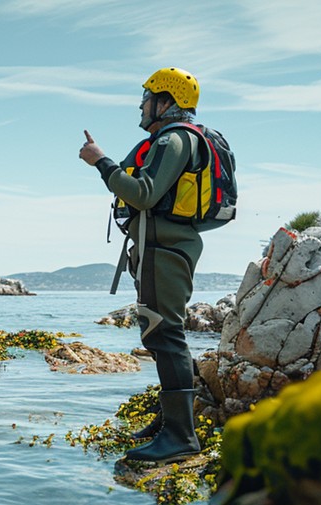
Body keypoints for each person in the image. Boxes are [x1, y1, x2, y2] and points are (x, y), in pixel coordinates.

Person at [78, 67, 205, 463]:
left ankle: (181, 437)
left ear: (166, 102)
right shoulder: (171, 139)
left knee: (166, 335)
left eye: (147, 97)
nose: (141, 103)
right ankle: (170, 423)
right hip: (159, 246)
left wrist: (102, 163)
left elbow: (144, 193)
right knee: (159, 334)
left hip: (165, 248)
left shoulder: (176, 139)